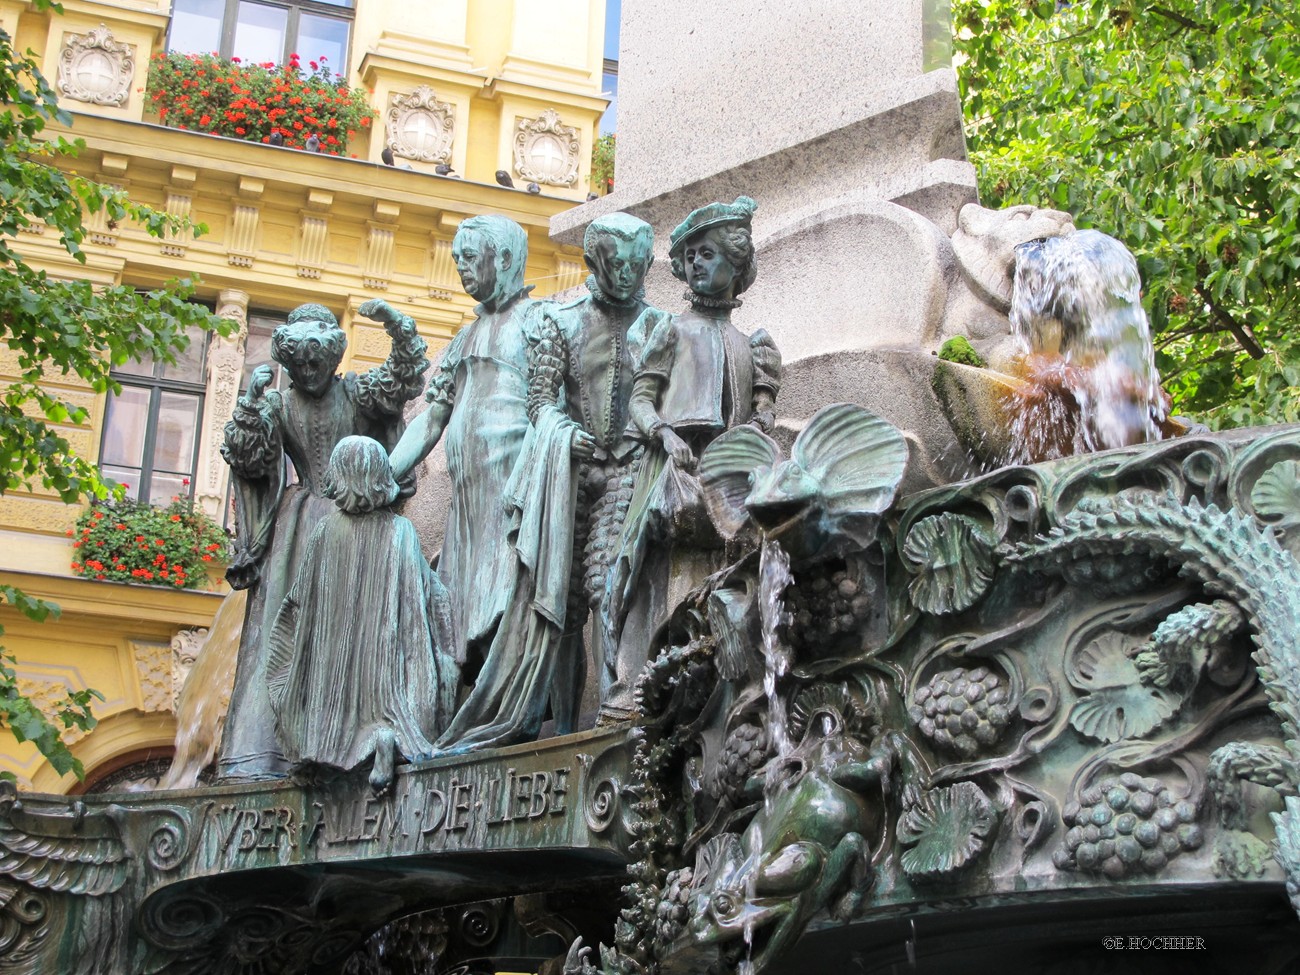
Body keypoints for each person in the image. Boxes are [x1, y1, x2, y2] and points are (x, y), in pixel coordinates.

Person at [219, 300, 427, 780]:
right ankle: (267, 752)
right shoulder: (277, 404)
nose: (309, 371)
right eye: (299, 364)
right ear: (288, 363)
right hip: (297, 529)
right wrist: (250, 405)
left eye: (317, 362)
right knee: (280, 633)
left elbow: (404, 379)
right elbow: (250, 459)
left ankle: (337, 737)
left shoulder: (356, 392)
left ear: (333, 359)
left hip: (352, 524)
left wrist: (398, 326)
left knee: (348, 633)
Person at [603, 196, 782, 720]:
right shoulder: (670, 330)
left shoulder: (754, 343)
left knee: (726, 571)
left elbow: (762, 408)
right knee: (659, 574)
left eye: (707, 254)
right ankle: (646, 682)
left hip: (732, 472)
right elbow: (639, 399)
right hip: (677, 467)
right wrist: (662, 433)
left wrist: (760, 426)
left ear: (736, 264)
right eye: (690, 256)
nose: (696, 264)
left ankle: (721, 678)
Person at [389, 215, 543, 714]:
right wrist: (385, 471)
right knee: (458, 605)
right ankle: (468, 703)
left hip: (513, 490)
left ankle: (506, 706)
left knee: (505, 595)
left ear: (504, 258)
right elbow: (431, 419)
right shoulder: (464, 337)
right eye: (457, 261)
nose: (462, 270)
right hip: (468, 503)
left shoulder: (539, 323)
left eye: (470, 259)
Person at [266, 436, 455, 794]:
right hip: (387, 669)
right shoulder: (401, 532)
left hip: (334, 668)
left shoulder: (324, 532)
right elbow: (429, 594)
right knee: (391, 707)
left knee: (324, 705)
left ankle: (324, 754)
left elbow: (301, 599)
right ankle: (385, 737)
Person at [528, 212, 656, 726]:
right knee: (562, 607)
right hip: (573, 470)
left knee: (610, 590)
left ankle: (613, 705)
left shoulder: (660, 325)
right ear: (592, 261)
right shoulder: (559, 321)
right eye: (615, 263)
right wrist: (563, 431)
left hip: (628, 465)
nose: (626, 274)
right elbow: (538, 402)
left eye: (636, 264)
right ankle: (563, 728)